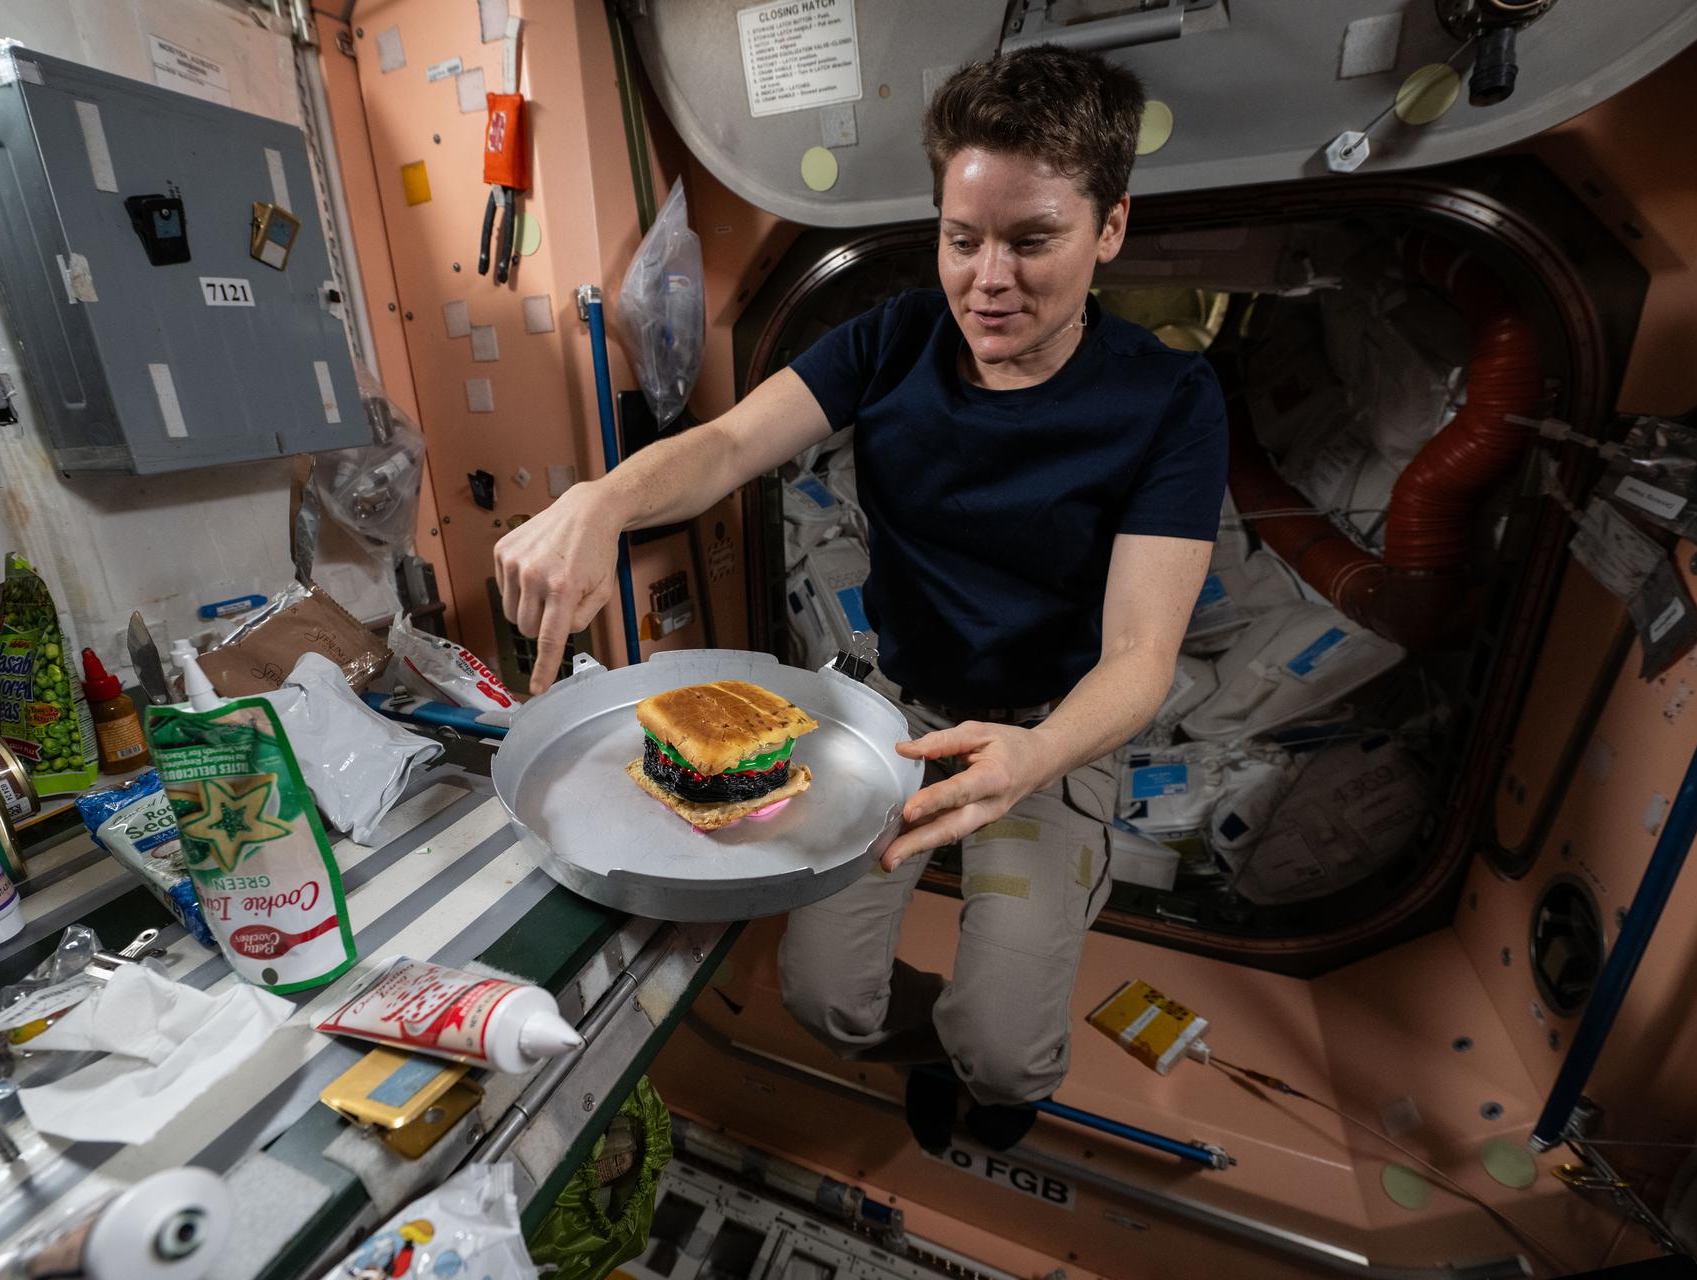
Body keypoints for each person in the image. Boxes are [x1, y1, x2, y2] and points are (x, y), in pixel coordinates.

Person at [493, 45, 1227, 1153]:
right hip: (900, 712)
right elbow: (728, 444)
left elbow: (1139, 655)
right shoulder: (893, 340)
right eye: (962, 239)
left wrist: (1035, 755)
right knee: (825, 1000)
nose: (988, 280)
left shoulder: (1169, 399)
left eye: (1032, 241)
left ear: (1110, 227)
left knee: (1008, 1054)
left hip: (1049, 730)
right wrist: (601, 500)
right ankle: (934, 1045)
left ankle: (984, 1069)